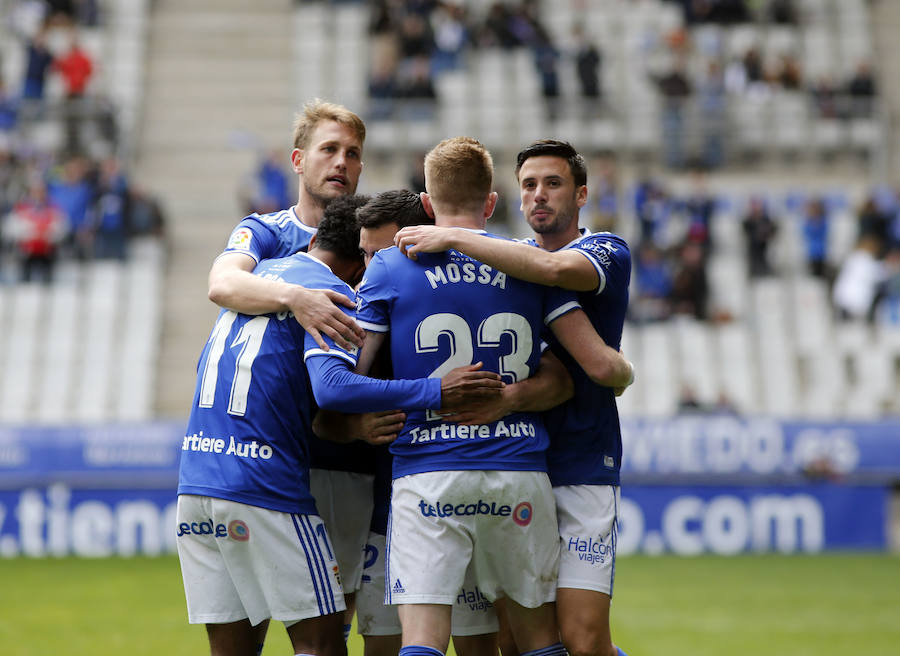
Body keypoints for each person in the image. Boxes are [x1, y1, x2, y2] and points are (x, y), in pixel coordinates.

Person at [176, 207, 505, 656]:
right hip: (262, 485)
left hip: (195, 478)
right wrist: (436, 392)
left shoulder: (264, 275)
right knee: (322, 643)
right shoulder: (331, 292)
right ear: (356, 268)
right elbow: (332, 388)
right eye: (370, 261)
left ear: (313, 242)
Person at [355, 137, 634, 656]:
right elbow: (580, 367)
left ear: (582, 195)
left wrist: (451, 238)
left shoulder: (594, 252)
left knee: (583, 638)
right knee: (518, 636)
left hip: (577, 459)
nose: (539, 195)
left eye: (553, 184)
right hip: (523, 460)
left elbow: (595, 357)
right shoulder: (519, 263)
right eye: (529, 184)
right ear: (499, 199)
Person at [206, 99, 368, 353]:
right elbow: (222, 284)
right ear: (298, 161)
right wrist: (297, 298)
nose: (341, 162)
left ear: (359, 168)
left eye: (352, 154)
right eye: (329, 149)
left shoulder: (372, 241)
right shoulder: (264, 229)